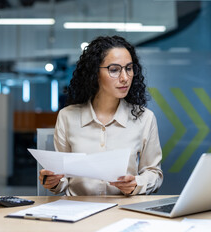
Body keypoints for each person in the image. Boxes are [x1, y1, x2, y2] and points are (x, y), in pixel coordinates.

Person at [38, 35, 163, 196]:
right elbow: (63, 179)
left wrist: (136, 184)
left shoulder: (144, 118)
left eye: (129, 68)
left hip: (123, 211)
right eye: (114, 70)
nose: (125, 78)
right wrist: (53, 181)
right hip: (77, 213)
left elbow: (154, 173)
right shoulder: (67, 116)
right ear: (94, 73)